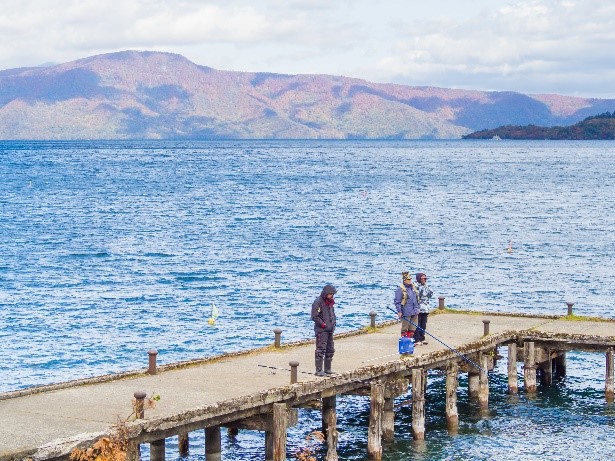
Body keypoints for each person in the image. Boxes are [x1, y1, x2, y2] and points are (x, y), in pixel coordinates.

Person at [311, 284, 337, 377]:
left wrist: (333, 324)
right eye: (330, 294)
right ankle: (318, 370)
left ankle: (327, 369)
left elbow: (331, 314)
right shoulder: (318, 302)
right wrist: (323, 324)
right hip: (321, 330)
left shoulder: (330, 302)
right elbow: (314, 316)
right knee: (320, 349)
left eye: (332, 294)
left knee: (330, 349)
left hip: (330, 329)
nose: (331, 296)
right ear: (326, 293)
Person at [394, 271, 419, 339]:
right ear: (404, 280)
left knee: (413, 328)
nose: (410, 281)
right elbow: (397, 301)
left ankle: (410, 340)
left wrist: (417, 308)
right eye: (408, 279)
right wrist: (399, 311)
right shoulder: (400, 289)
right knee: (405, 328)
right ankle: (404, 341)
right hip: (406, 312)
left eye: (410, 279)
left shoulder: (413, 288)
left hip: (414, 311)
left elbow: (416, 299)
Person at [414, 272, 433, 345]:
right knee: (417, 324)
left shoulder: (426, 286)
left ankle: (422, 337)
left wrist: (427, 287)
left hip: (425, 308)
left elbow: (430, 295)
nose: (424, 280)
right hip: (418, 308)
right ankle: (417, 339)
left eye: (425, 279)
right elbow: (419, 295)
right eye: (422, 279)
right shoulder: (415, 286)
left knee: (423, 324)